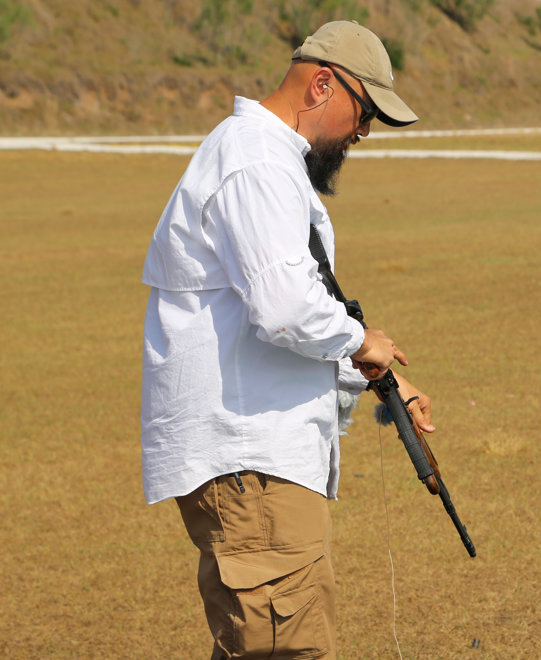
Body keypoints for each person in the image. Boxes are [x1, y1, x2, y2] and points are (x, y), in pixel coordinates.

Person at [139, 21, 431, 659]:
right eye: (364, 112)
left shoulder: (264, 159)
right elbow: (283, 308)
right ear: (322, 85)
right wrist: (363, 340)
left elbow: (270, 314)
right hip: (251, 461)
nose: (364, 132)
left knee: (264, 645)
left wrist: (376, 377)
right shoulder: (255, 162)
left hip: (258, 460)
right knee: (287, 648)